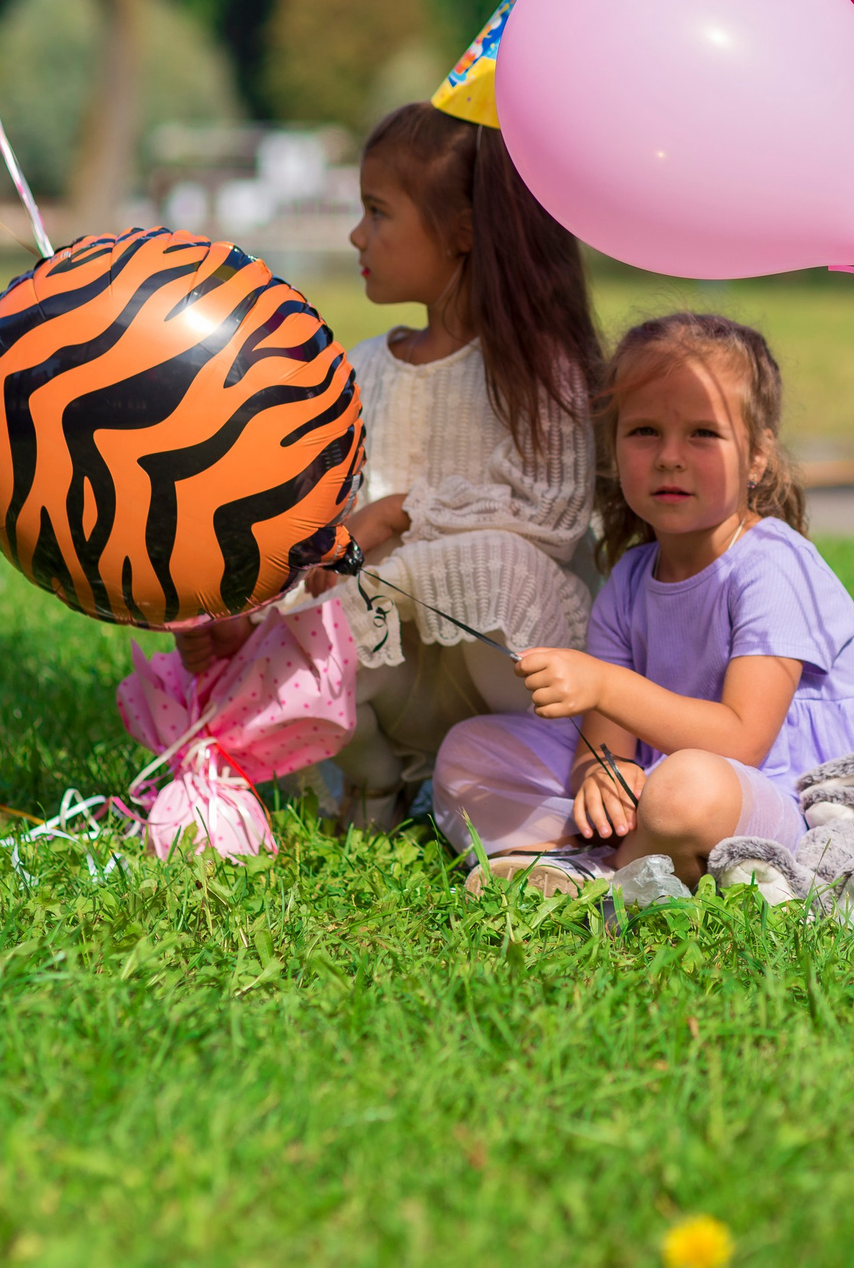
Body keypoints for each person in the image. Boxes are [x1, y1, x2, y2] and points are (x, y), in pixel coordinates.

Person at [174, 100, 602, 832]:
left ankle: (552, 788)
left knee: (496, 565)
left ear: (464, 231)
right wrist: (250, 611)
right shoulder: (360, 370)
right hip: (401, 672)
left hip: (505, 667)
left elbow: (551, 521)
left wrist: (402, 510)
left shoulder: (538, 371)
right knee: (320, 611)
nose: (355, 233)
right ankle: (376, 789)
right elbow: (319, 530)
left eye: (377, 211)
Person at [431, 313, 854, 894]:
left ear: (756, 457)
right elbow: (606, 739)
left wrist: (605, 687)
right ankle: (620, 853)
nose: (670, 456)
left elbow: (742, 741)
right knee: (468, 753)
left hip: (780, 799)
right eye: (644, 431)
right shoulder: (631, 576)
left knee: (687, 788)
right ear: (614, 446)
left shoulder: (774, 566)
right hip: (663, 778)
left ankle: (599, 874)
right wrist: (601, 773)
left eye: (702, 433)